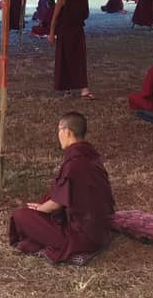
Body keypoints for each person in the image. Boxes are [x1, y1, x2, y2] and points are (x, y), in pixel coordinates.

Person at [8, 112, 115, 263]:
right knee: (47, 197)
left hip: (84, 238)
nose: (58, 134)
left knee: (20, 215)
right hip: (102, 229)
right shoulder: (93, 156)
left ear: (67, 132)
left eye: (59, 130)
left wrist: (39, 210)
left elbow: (57, 203)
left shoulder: (74, 164)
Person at [49, 0, 93, 100]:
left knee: (80, 58)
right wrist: (52, 33)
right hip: (65, 32)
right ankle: (67, 88)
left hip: (78, 30)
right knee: (66, 59)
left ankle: (84, 88)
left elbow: (85, 13)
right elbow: (55, 17)